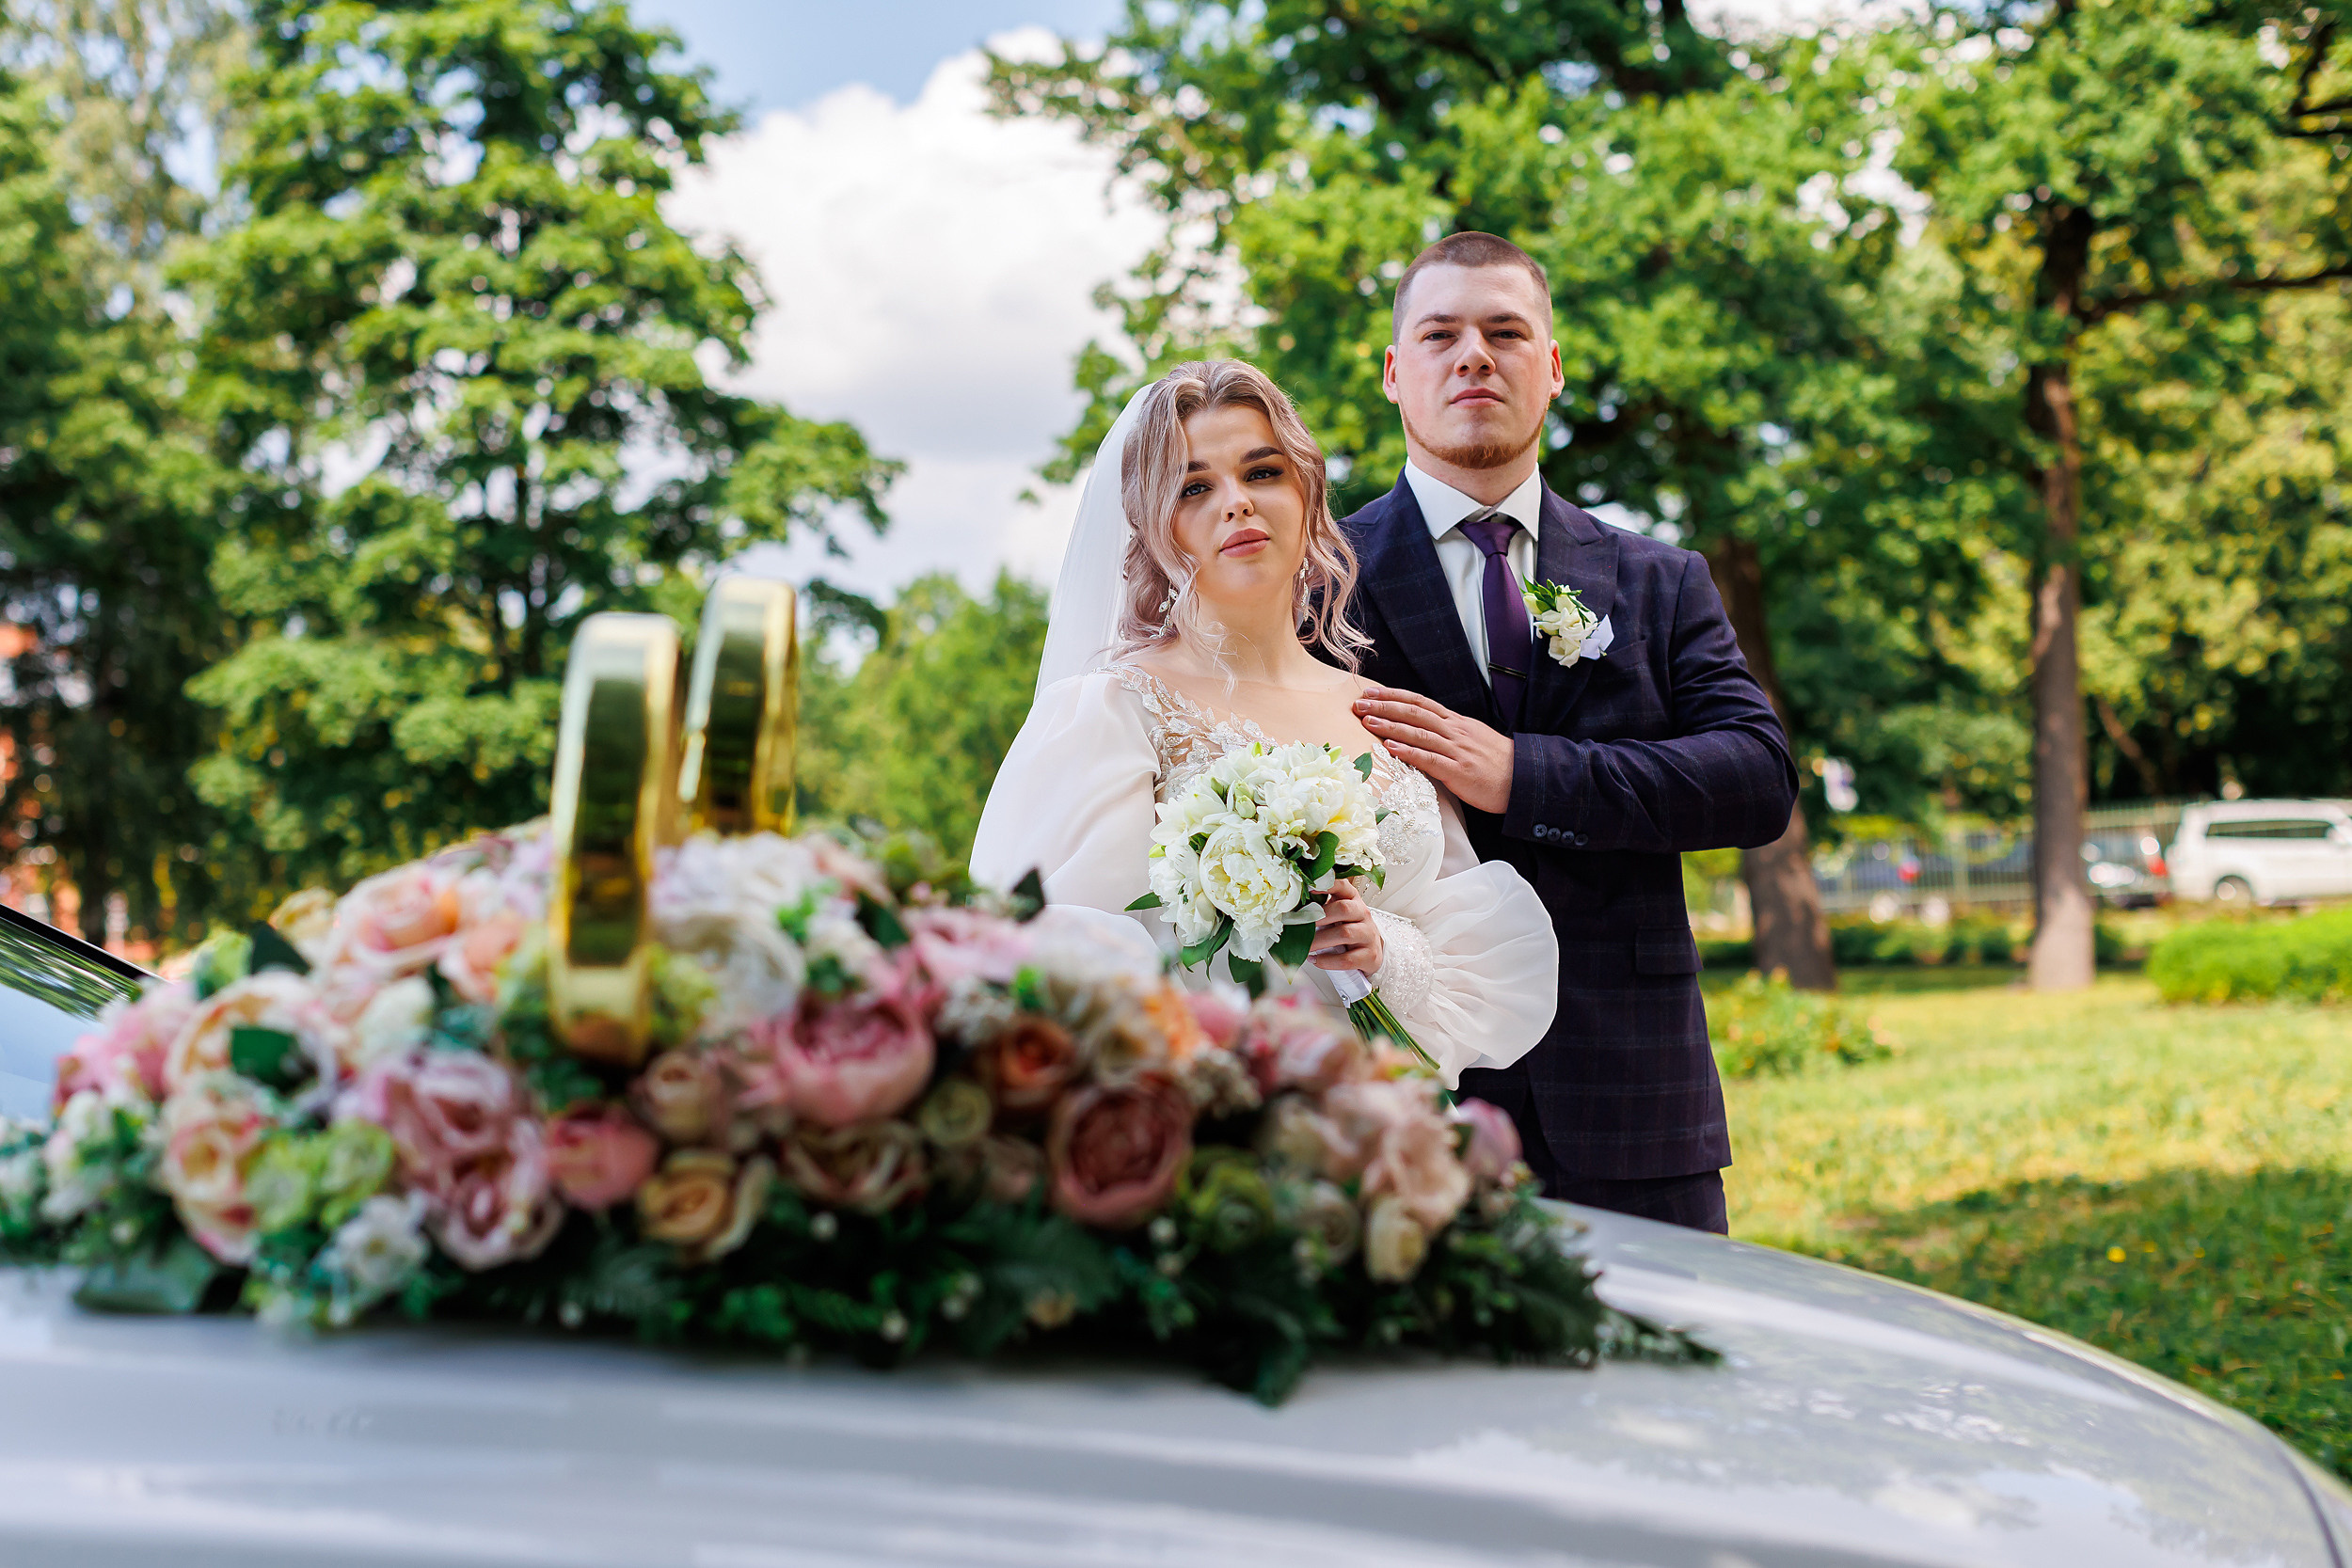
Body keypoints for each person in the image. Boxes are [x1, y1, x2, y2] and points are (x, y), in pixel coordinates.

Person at [1343, 232, 1798, 1233]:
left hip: (1635, 1104)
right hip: (1402, 1098)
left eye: (1505, 332)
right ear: (1394, 372)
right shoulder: (1315, 582)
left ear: (1550, 368)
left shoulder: (1659, 579)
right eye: (1440, 335)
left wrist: (1526, 775)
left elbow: (1757, 775)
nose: (1474, 356)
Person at [970, 359, 1558, 1086]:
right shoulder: (1111, 710)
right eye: (1194, 488)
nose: (1237, 503)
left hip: (1383, 1118)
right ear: (1151, 527)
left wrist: (1379, 949)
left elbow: (1463, 945)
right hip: (1218, 1116)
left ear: (1306, 493)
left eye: (1263, 472)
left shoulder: (1382, 713)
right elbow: (1052, 954)